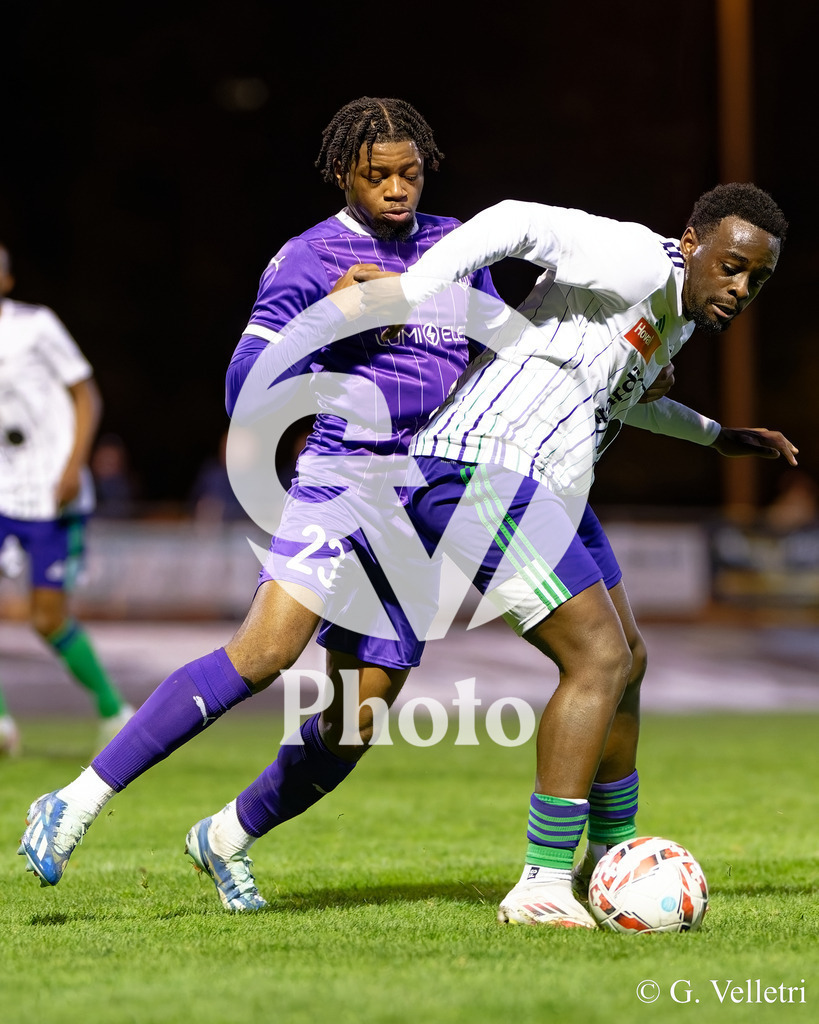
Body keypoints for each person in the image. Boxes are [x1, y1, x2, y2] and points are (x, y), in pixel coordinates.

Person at [17, 97, 500, 900]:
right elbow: (247, 386)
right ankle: (73, 802)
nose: (395, 189)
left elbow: (491, 349)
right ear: (343, 171)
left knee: (356, 721)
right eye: (376, 174)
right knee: (266, 653)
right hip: (342, 478)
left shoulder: (457, 245)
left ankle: (226, 835)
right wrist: (330, 317)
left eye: (409, 173)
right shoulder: (306, 259)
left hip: (421, 502)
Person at [345, 181, 795, 926]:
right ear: (691, 243)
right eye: (732, 266)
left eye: (757, 279)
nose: (740, 287)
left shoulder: (671, 315)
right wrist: (410, 290)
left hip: (544, 487)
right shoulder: (632, 261)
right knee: (597, 660)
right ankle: (541, 882)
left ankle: (611, 857)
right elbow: (517, 221)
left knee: (629, 660)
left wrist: (719, 436)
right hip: (478, 468)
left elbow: (626, 399)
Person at [0, 243, 134, 757]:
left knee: (47, 618)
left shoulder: (37, 326)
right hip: (3, 490)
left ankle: (112, 710)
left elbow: (86, 395)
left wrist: (74, 465)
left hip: (51, 492)